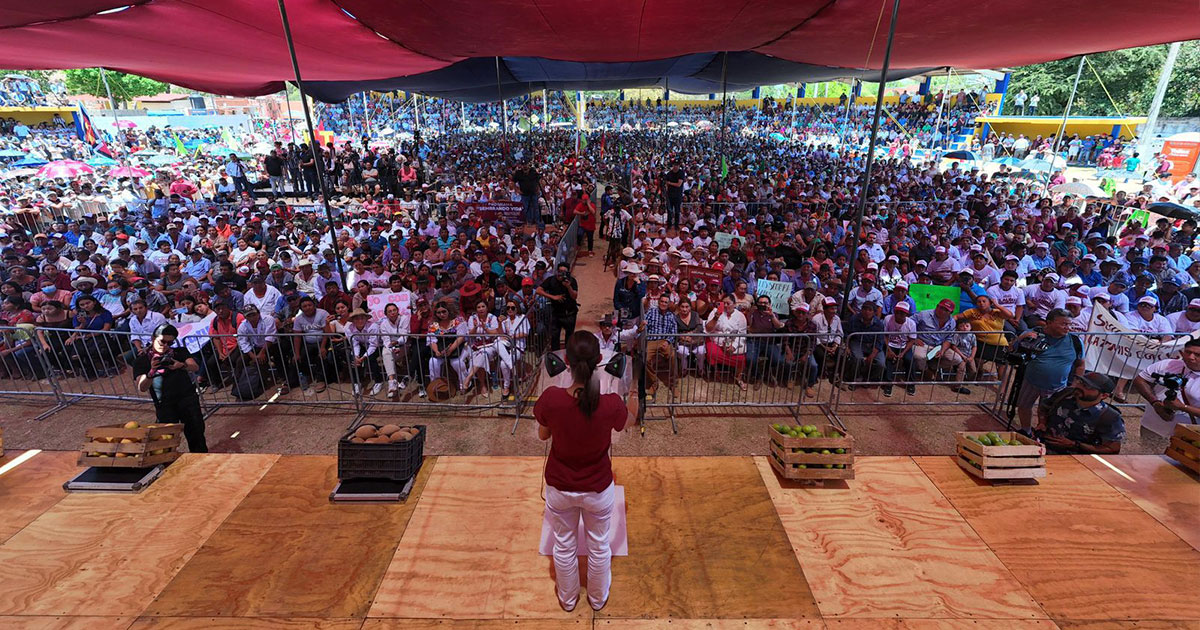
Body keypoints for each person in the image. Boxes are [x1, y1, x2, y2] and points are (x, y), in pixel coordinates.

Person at [535, 331, 629, 613]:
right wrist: (632, 390)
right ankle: (598, 600)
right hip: (598, 488)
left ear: (566, 361)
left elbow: (543, 436)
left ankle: (568, 600)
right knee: (600, 546)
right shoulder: (611, 403)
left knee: (564, 546)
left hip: (560, 487)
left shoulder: (551, 398)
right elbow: (623, 424)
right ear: (600, 360)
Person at [133, 323, 207, 453]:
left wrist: (181, 365)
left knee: (196, 436)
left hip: (187, 399)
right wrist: (151, 372)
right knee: (166, 441)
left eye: (170, 343)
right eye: (162, 342)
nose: (165, 346)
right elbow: (142, 387)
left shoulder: (179, 352)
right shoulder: (142, 361)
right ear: (153, 339)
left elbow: (194, 366)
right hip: (164, 404)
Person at [1013, 309, 1084, 436]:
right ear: (1049, 323)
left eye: (1069, 324)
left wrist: (1075, 383)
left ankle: (1043, 433)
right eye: (1063, 324)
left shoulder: (1076, 342)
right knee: (1024, 406)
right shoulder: (1034, 335)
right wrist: (1021, 338)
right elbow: (1010, 349)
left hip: (1057, 386)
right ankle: (1026, 430)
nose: (1067, 328)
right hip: (1031, 381)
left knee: (1049, 412)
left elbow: (1080, 364)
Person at [1036, 372, 1124, 455]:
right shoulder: (1065, 394)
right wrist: (1042, 423)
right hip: (1042, 449)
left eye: (1088, 387)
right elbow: (1044, 407)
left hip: (1076, 461)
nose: (1080, 387)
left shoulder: (1109, 417)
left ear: (1104, 396)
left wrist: (1074, 445)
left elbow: (1112, 448)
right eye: (1081, 382)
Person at [1132, 337, 1200, 439]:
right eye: (1188, 352)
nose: (1191, 357)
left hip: (1184, 436)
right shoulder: (1167, 364)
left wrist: (1182, 407)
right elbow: (1140, 380)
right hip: (1151, 426)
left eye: (1197, 355)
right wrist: (1155, 403)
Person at [537, 262, 579, 351]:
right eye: (559, 271)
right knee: (555, 337)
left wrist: (568, 287)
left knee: (569, 337)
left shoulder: (572, 281)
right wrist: (553, 297)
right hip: (556, 313)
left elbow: (574, 296)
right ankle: (556, 357)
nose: (561, 274)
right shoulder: (551, 280)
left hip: (570, 313)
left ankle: (568, 357)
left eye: (564, 272)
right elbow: (539, 290)